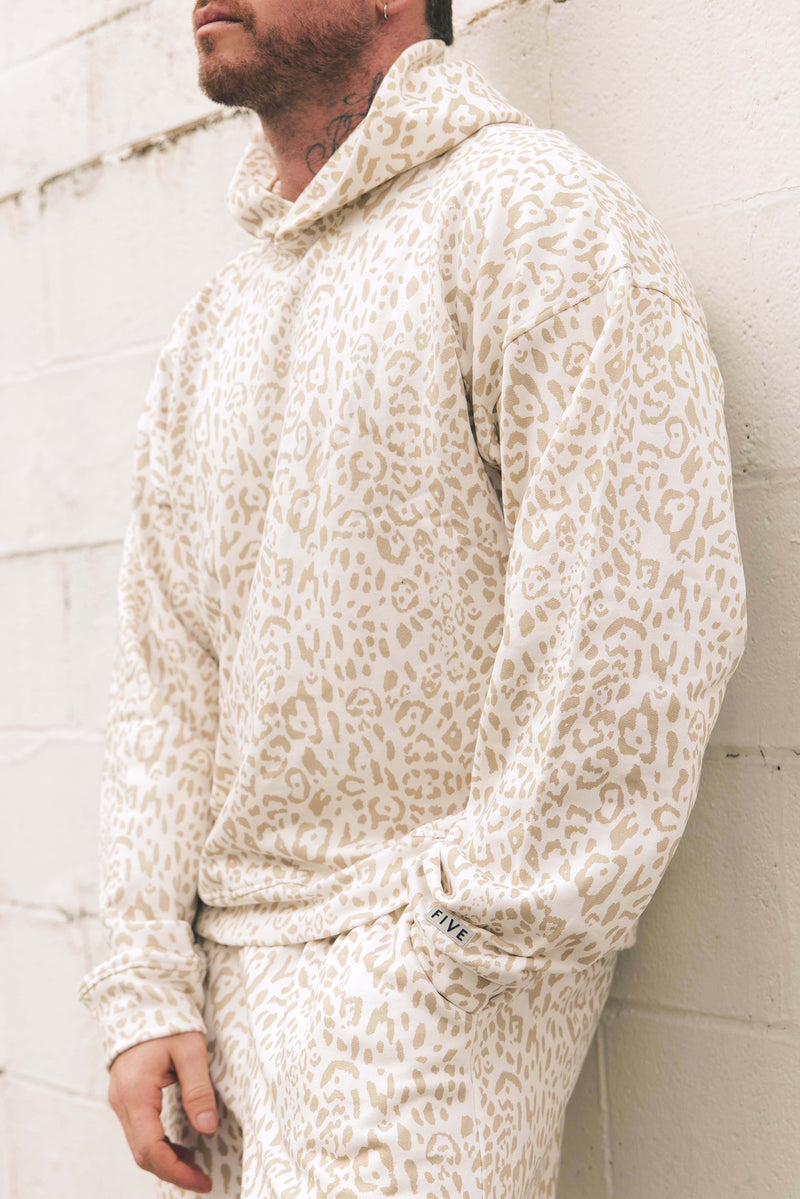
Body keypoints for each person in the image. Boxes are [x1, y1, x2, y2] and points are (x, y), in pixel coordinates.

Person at [78, 1, 748, 1195]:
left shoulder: (532, 216)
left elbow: (632, 634)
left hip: (430, 1005)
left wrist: (448, 957)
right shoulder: (215, 320)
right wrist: (142, 984)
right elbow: (163, 681)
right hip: (225, 1030)